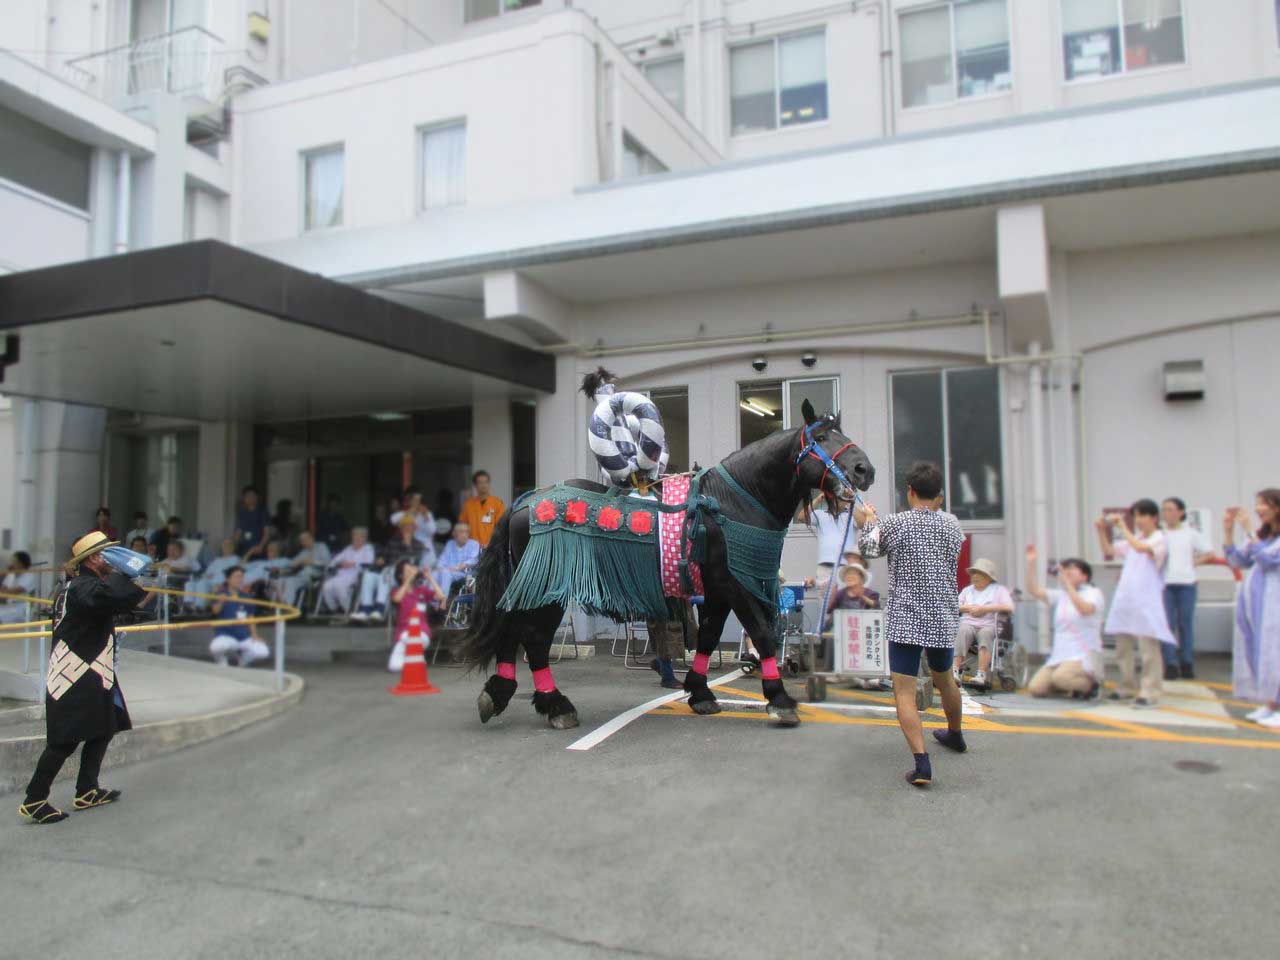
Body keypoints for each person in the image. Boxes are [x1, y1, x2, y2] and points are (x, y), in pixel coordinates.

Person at [19, 532, 150, 825]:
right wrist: (127, 572)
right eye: (107, 554)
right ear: (93, 558)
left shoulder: (84, 586)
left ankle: (87, 789)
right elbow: (113, 598)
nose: (112, 559)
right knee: (64, 740)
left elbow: (115, 604)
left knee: (105, 726)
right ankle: (34, 799)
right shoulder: (83, 587)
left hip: (93, 669)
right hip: (75, 672)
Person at [856, 461, 966, 787]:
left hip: (906, 617)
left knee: (903, 691)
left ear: (911, 492)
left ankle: (921, 764)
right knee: (945, 679)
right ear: (940, 496)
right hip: (943, 615)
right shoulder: (952, 525)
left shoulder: (897, 524)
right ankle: (956, 735)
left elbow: (868, 548)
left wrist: (869, 523)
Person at [1097, 499, 1174, 707]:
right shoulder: (1135, 538)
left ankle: (1151, 690)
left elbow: (1141, 548)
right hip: (1127, 600)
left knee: (1148, 649)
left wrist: (1122, 527)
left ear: (1154, 518)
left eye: (1142, 516)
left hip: (1147, 601)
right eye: (1136, 516)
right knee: (1123, 647)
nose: (1138, 521)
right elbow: (1110, 550)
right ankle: (1128, 685)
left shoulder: (1159, 539)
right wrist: (1101, 531)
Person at [1224, 490, 1280, 728]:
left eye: (1263, 504)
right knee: (1261, 651)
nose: (1258, 509)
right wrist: (1228, 531)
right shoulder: (1261, 536)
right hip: (1256, 605)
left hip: (1274, 603)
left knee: (1276, 652)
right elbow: (1237, 561)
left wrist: (1248, 530)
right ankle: (1271, 704)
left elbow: (1268, 561)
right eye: (1257, 504)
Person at [1024, 546, 1105, 698]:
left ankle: (1091, 685)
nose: (1066, 573)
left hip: (1083, 655)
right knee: (1036, 688)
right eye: (1065, 569)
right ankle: (1071, 687)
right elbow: (1033, 590)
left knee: (1061, 678)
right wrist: (1031, 564)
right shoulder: (1061, 595)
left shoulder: (1093, 593)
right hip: (1061, 655)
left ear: (1084, 576)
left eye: (1072, 569)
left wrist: (1067, 585)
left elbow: (1085, 609)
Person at [1160, 497, 1214, 680]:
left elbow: (1209, 553)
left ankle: (1187, 662)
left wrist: (1193, 563)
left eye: (1170, 509)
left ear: (1181, 512)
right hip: (1165, 584)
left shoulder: (1190, 533)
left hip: (1187, 583)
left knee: (1185, 624)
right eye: (1164, 509)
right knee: (1167, 624)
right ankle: (1170, 663)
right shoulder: (1160, 534)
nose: (1166, 513)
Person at [353, 515, 433, 622]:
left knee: (387, 572)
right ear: (401, 529)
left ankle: (379, 609)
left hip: (405, 576)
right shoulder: (393, 542)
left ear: (414, 529)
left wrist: (407, 543)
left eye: (410, 527)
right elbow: (384, 558)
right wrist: (380, 560)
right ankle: (365, 609)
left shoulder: (418, 545)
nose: (407, 529)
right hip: (387, 575)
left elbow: (415, 562)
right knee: (368, 575)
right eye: (405, 526)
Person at [953, 558, 1014, 689]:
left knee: (986, 635)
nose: (974, 576)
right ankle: (954, 671)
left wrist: (985, 609)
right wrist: (969, 608)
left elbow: (1009, 607)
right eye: (973, 573)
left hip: (988, 624)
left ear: (988, 577)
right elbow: (955, 606)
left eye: (979, 573)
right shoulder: (967, 590)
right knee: (962, 631)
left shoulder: (998, 590)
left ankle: (981, 674)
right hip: (968, 622)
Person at [387, 559, 446, 672]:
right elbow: (397, 599)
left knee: (414, 640)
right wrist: (408, 579)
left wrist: (429, 577)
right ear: (400, 575)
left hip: (421, 631)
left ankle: (414, 659)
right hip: (404, 632)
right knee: (394, 666)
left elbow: (441, 596)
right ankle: (416, 660)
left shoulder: (421, 590)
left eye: (411, 569)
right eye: (407, 571)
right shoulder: (396, 591)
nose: (411, 572)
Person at [208, 567, 270, 667]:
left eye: (241, 577)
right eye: (236, 576)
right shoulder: (220, 594)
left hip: (243, 636)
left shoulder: (246, 597)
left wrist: (254, 634)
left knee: (263, 652)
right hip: (225, 635)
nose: (239, 579)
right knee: (216, 647)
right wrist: (221, 601)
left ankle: (243, 660)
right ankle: (222, 662)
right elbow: (215, 611)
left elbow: (251, 617)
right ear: (228, 579)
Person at [318, 527, 375, 616]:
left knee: (339, 586)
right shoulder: (349, 548)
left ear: (364, 538)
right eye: (354, 536)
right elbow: (335, 560)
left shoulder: (368, 549)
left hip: (356, 575)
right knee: (326, 586)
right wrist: (337, 565)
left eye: (358, 537)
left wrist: (353, 564)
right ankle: (334, 609)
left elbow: (368, 563)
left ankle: (348, 609)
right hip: (341, 574)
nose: (355, 539)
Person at [275, 530, 332, 608]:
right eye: (301, 541)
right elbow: (292, 563)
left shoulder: (321, 546)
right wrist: (286, 567)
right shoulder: (304, 552)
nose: (303, 543)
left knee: (292, 580)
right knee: (284, 580)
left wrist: (312, 562)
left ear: (311, 538)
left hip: (317, 576)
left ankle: (286, 606)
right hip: (303, 576)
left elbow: (328, 564)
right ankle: (283, 605)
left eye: (304, 540)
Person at [186, 538, 240, 610]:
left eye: (228, 545)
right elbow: (206, 573)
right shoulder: (217, 560)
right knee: (190, 583)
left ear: (233, 547)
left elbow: (234, 575)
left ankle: (199, 608)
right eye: (224, 545)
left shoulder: (235, 559)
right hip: (209, 581)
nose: (225, 547)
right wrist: (206, 576)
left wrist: (224, 584)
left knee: (202, 583)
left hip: (219, 584)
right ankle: (188, 605)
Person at [459, 471, 506, 548]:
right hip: (471, 547)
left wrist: (492, 543)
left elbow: (501, 527)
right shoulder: (468, 505)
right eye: (480, 482)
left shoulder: (498, 503)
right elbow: (462, 526)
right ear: (475, 485)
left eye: (486, 482)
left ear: (489, 484)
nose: (483, 485)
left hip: (491, 547)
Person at [435, 520, 481, 599]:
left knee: (446, 574)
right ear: (455, 534)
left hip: (463, 573)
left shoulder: (474, 544)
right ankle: (430, 601)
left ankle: (442, 600)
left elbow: (474, 560)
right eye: (461, 532)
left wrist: (458, 567)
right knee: (433, 574)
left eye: (467, 532)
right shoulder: (450, 544)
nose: (464, 535)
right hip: (447, 571)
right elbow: (443, 559)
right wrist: (440, 568)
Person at [0, 551, 40, 624]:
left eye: (13, 562)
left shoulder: (29, 576)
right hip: (9, 606)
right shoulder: (11, 575)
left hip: (22, 608)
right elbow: (2, 591)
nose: (11, 564)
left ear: (21, 564)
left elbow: (15, 591)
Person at [233, 486, 271, 561]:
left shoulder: (262, 512)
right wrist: (233, 544)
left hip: (258, 548)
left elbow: (267, 533)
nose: (249, 498)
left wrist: (261, 546)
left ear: (257, 497)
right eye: (247, 496)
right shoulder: (242, 513)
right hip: (244, 547)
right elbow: (238, 531)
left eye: (252, 496)